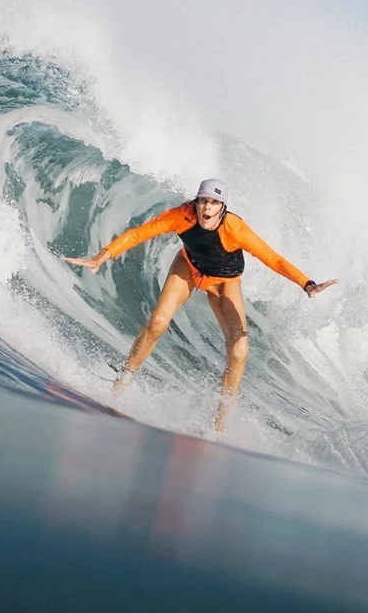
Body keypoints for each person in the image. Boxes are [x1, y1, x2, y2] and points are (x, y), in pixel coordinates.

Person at [64, 179, 337, 432]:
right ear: (196, 203)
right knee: (158, 322)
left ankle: (219, 423)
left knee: (240, 349)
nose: (207, 207)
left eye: (214, 203)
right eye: (203, 201)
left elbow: (274, 259)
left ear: (223, 207)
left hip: (225, 282)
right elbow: (139, 234)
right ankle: (121, 383)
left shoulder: (235, 229)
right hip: (189, 268)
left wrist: (307, 284)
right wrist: (102, 257)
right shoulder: (182, 216)